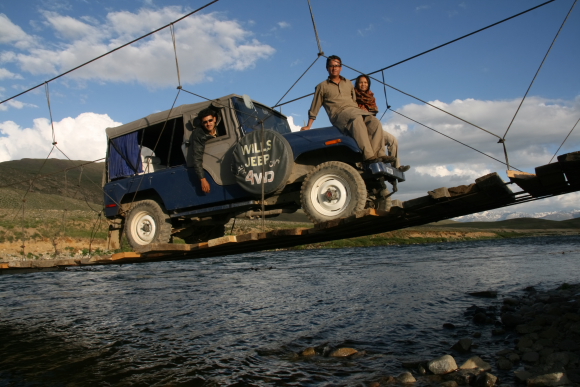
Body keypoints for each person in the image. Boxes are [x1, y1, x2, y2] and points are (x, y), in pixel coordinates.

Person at [300, 55, 394, 164]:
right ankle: (369, 157)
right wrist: (308, 125)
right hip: (339, 114)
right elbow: (315, 106)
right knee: (357, 120)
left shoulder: (348, 83)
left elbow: (353, 101)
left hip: (354, 110)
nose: (334, 68)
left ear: (341, 68)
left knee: (375, 122)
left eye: (336, 66)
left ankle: (380, 155)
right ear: (327, 68)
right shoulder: (322, 86)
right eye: (331, 66)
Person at [354, 74, 410, 172]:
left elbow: (374, 111)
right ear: (357, 84)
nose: (363, 84)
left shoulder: (371, 97)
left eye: (365, 82)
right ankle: (378, 156)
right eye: (361, 82)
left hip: (373, 125)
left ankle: (396, 167)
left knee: (393, 140)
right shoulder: (353, 96)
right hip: (362, 125)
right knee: (377, 128)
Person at [192, 108, 219, 193]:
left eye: (210, 120)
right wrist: (202, 179)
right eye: (205, 122)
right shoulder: (199, 134)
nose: (208, 124)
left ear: (214, 119)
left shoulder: (221, 129)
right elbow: (197, 157)